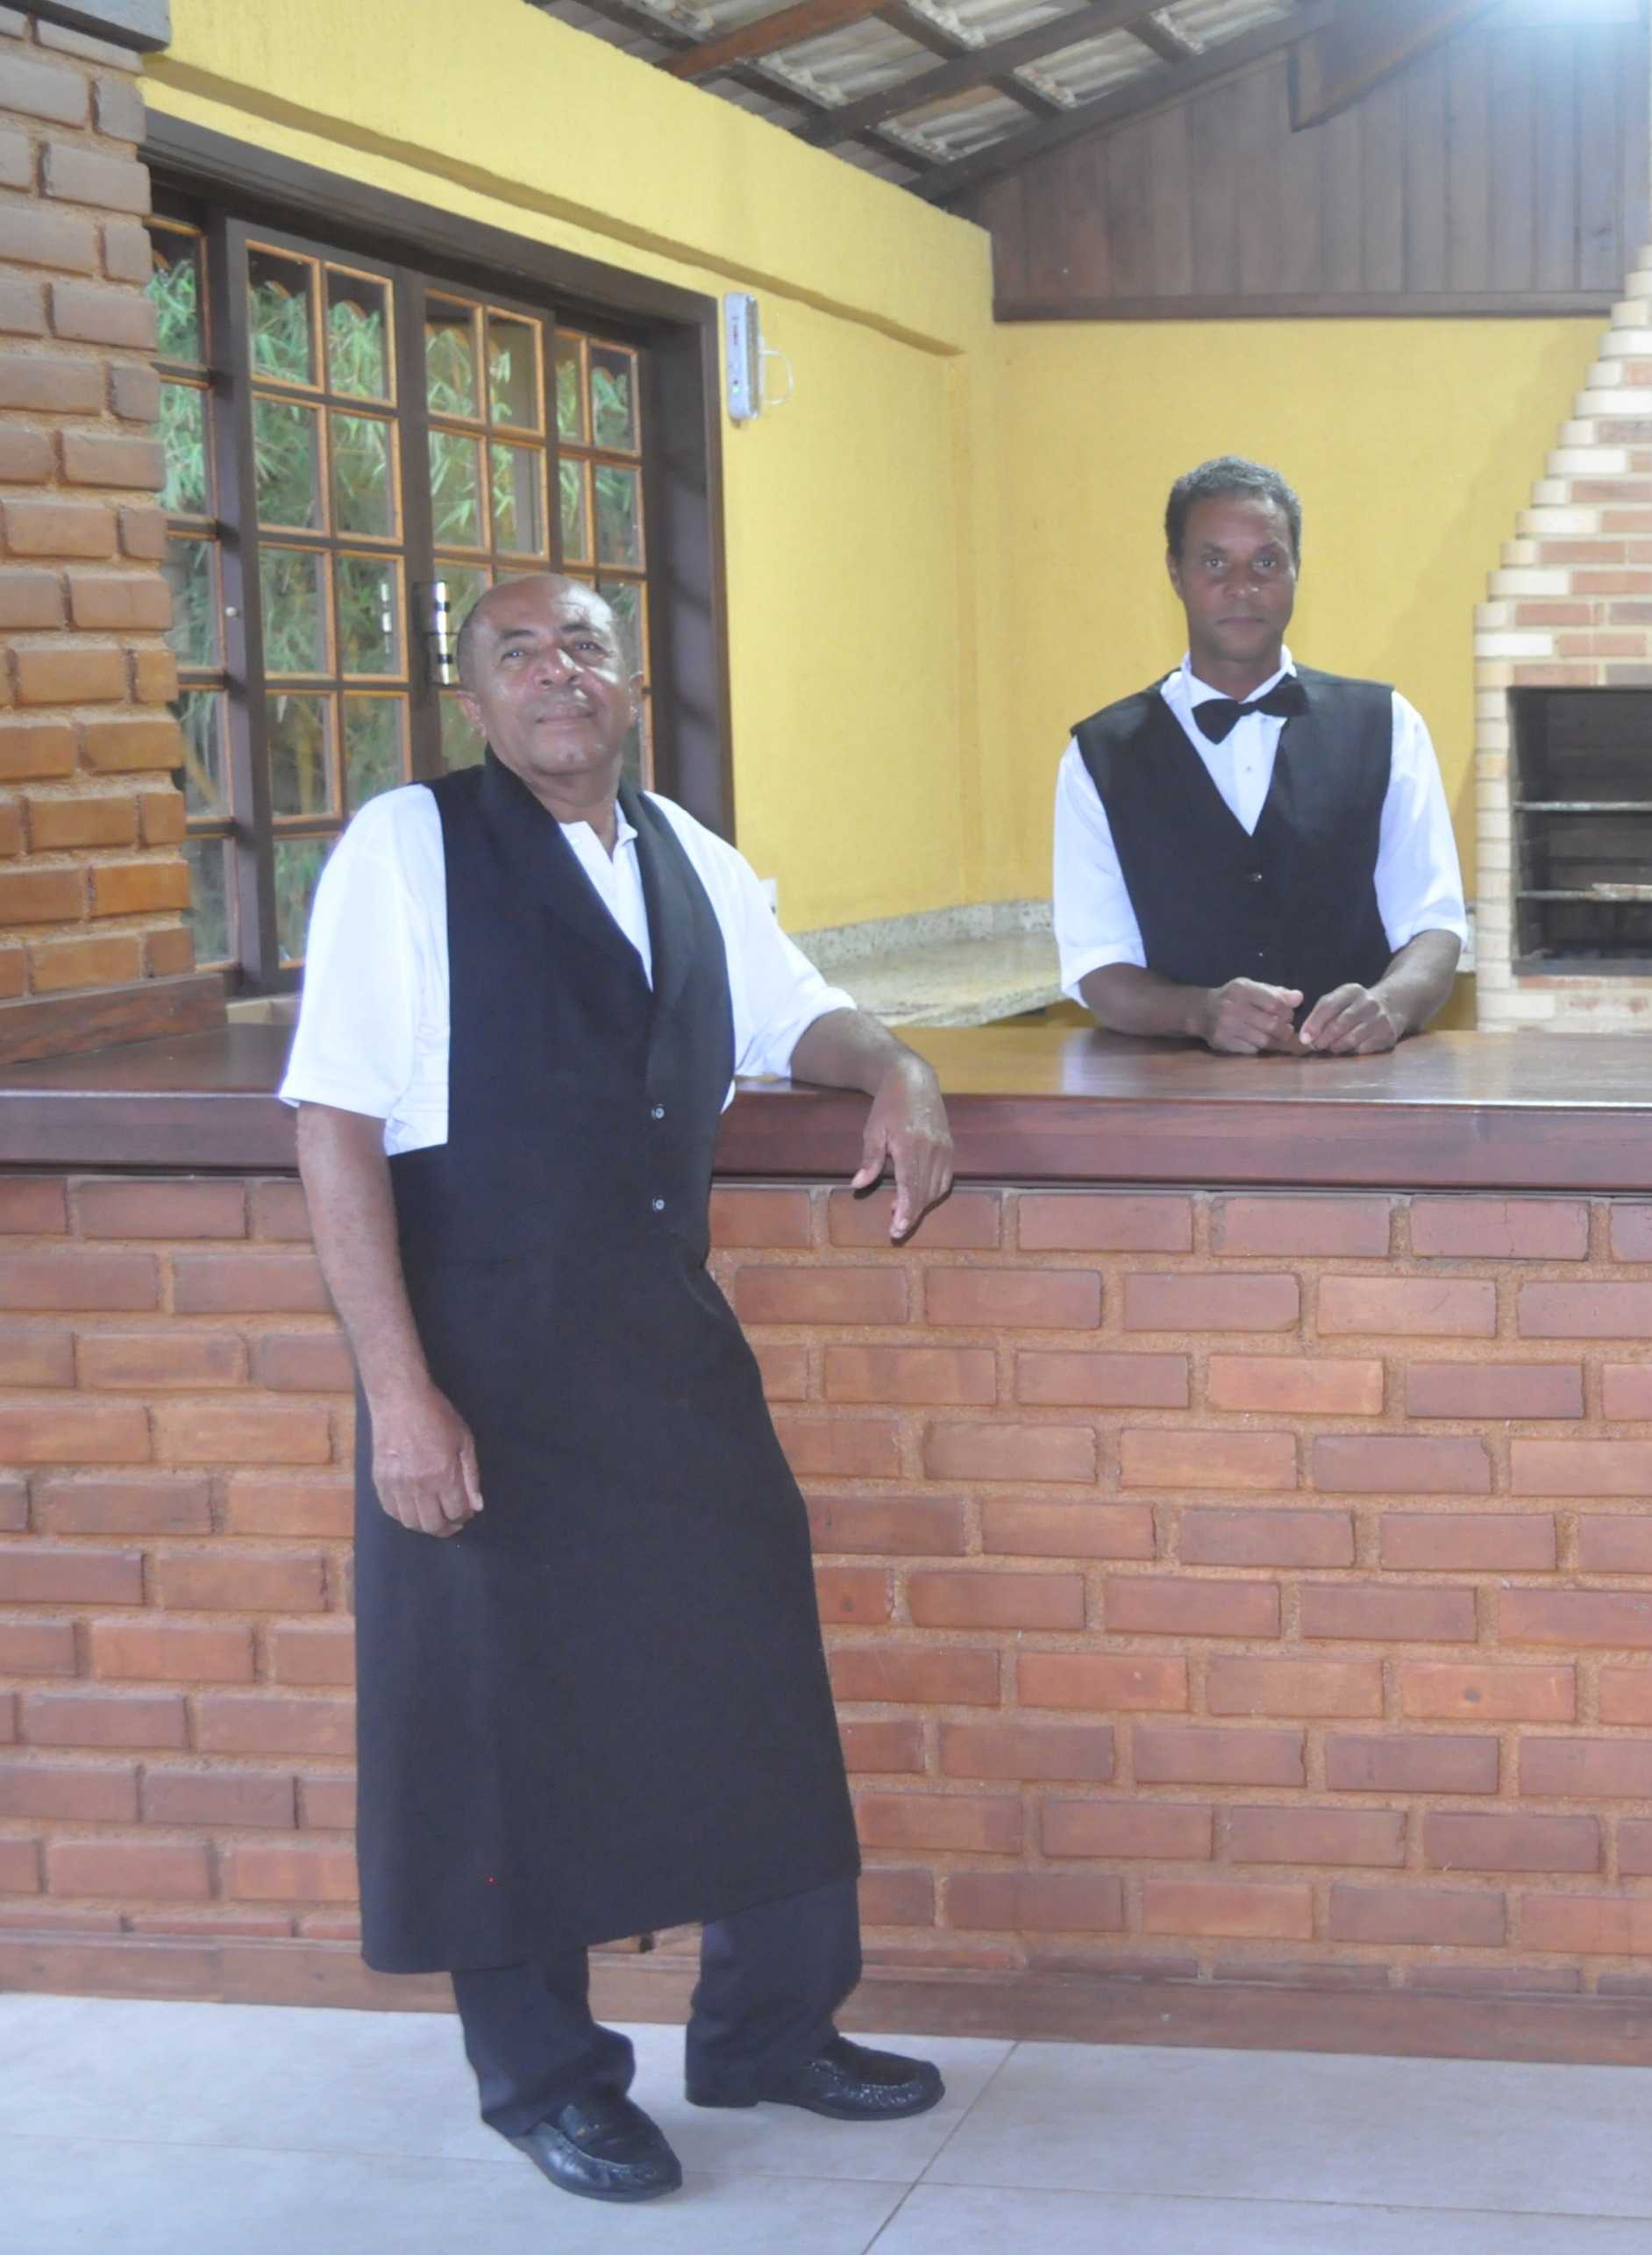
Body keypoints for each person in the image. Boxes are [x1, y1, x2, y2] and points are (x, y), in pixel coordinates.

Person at [282, 574, 957, 2205]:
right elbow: (334, 1122)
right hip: (481, 1351)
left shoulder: (684, 852)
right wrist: (399, 1391)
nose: (555, 674)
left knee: (751, 1673)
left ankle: (769, 2031)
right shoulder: (406, 848)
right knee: (499, 1728)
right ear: (473, 698)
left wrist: (901, 1067)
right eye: (515, 652)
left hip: (664, 1340)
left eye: (582, 644)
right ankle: (546, 2083)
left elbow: (797, 1015)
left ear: (628, 679)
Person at [1053, 455, 1468, 1054]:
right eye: (1214, 562)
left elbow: (1434, 924)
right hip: (1174, 1093)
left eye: (1267, 562)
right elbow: (1098, 968)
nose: (1242, 586)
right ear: (1175, 573)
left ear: (1298, 570)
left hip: (1360, 1085)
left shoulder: (1388, 724)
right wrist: (1198, 1011)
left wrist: (1391, 1004)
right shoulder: (1101, 755)